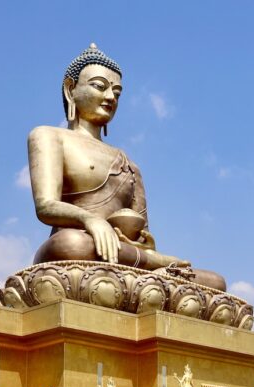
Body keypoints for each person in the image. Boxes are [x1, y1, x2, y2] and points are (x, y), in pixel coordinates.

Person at [27, 44, 227, 291]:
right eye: (100, 86)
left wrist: (147, 249)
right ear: (70, 89)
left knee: (215, 282)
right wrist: (90, 220)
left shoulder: (130, 164)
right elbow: (45, 205)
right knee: (71, 244)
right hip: (77, 251)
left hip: (124, 258)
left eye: (117, 93)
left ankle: (152, 279)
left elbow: (143, 237)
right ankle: (151, 280)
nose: (110, 97)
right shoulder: (49, 136)